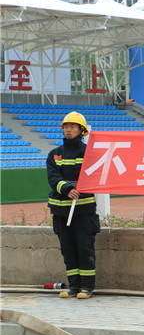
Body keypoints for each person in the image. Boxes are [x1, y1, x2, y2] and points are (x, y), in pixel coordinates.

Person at [47, 112, 101, 299]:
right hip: (60, 211)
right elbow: (53, 177)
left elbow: (93, 176)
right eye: (66, 127)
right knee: (68, 251)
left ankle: (87, 287)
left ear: (81, 130)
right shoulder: (55, 154)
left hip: (83, 210)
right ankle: (74, 286)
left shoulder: (89, 153)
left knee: (85, 249)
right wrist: (67, 189)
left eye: (73, 127)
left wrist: (78, 189)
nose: (68, 130)